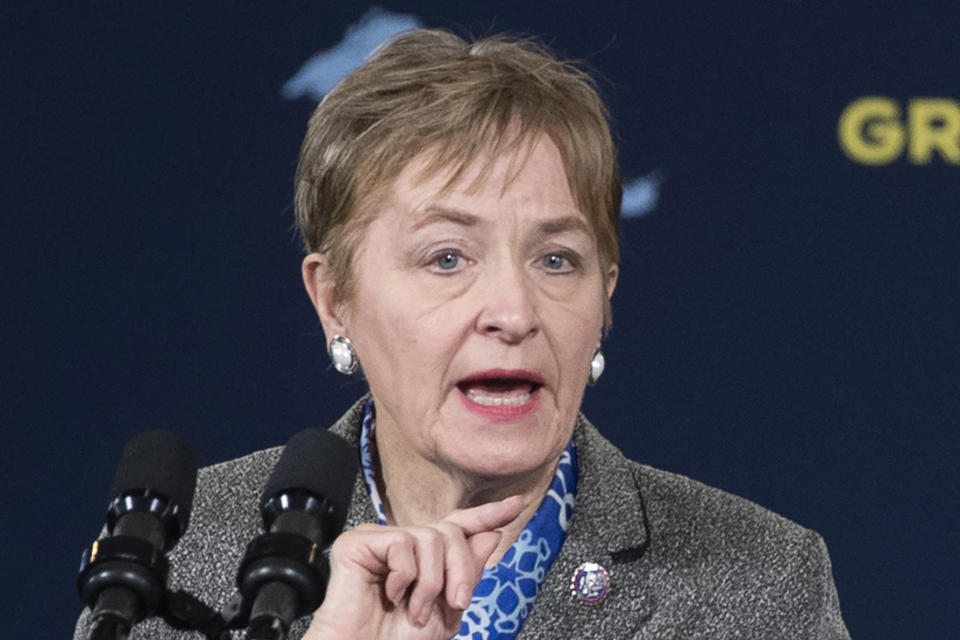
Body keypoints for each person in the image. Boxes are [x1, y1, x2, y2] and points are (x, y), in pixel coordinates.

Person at [75, 29, 850, 639]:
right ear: (334, 299)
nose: (514, 312)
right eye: (447, 258)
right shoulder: (178, 561)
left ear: (605, 299)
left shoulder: (763, 582)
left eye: (557, 259)